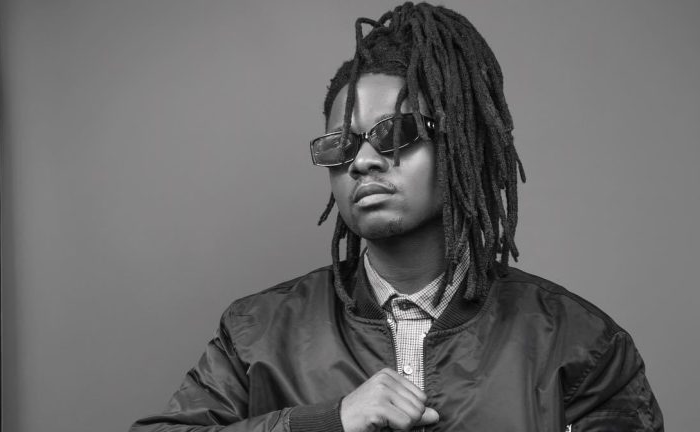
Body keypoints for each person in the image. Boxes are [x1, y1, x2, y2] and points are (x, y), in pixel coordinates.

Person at [130, 3, 663, 431]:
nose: (362, 160)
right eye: (340, 145)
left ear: (460, 145)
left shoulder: (578, 343)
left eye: (394, 132)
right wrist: (327, 422)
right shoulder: (257, 333)